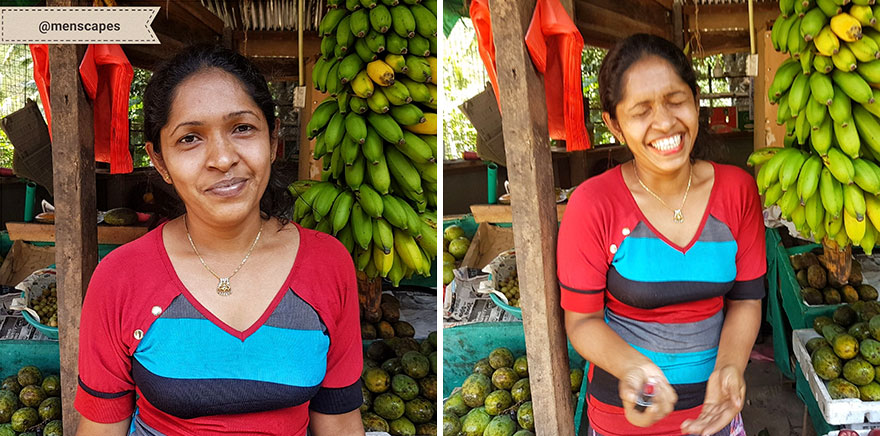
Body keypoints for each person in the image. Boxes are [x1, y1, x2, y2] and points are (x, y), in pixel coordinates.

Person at [74, 45, 365, 436]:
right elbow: (100, 429)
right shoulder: (120, 276)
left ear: (274, 139)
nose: (223, 158)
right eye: (190, 138)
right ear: (159, 161)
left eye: (242, 128)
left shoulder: (327, 263)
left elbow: (341, 424)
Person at [557, 34, 765, 436]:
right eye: (641, 110)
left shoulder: (738, 191)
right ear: (614, 125)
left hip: (715, 414)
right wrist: (633, 368)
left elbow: (746, 301)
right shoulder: (593, 204)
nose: (666, 122)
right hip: (625, 418)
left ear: (696, 101)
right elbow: (582, 321)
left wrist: (729, 367)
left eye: (676, 100)